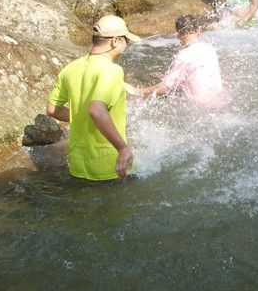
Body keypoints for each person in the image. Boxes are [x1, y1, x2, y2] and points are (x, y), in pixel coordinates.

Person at [46, 15, 140, 181]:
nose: (127, 45)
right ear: (116, 41)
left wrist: (79, 114)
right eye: (127, 41)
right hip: (111, 167)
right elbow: (96, 110)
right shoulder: (112, 70)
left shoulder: (70, 69)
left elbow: (52, 110)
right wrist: (123, 149)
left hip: (77, 166)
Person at [132, 14, 225, 107]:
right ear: (198, 30)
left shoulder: (183, 57)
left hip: (200, 107)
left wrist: (137, 91)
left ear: (178, 34)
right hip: (220, 102)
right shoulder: (209, 49)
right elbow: (197, 75)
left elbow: (164, 89)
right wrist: (164, 77)